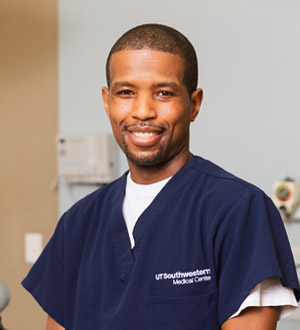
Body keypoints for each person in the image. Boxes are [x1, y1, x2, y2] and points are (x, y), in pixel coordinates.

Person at [22, 23, 300, 330]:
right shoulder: (77, 223)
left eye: (164, 93)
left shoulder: (239, 210)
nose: (143, 111)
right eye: (126, 92)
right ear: (107, 101)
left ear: (193, 104)